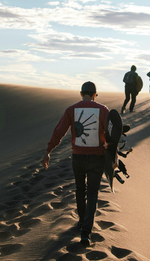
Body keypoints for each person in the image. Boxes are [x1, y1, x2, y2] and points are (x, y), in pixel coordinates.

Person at [43, 81, 111, 246]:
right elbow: (110, 136)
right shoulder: (103, 110)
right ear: (95, 94)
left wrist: (48, 150)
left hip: (78, 158)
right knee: (93, 194)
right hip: (97, 159)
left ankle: (82, 221)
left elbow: (59, 131)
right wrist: (113, 157)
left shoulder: (71, 110)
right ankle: (86, 232)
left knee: (80, 190)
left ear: (81, 93)